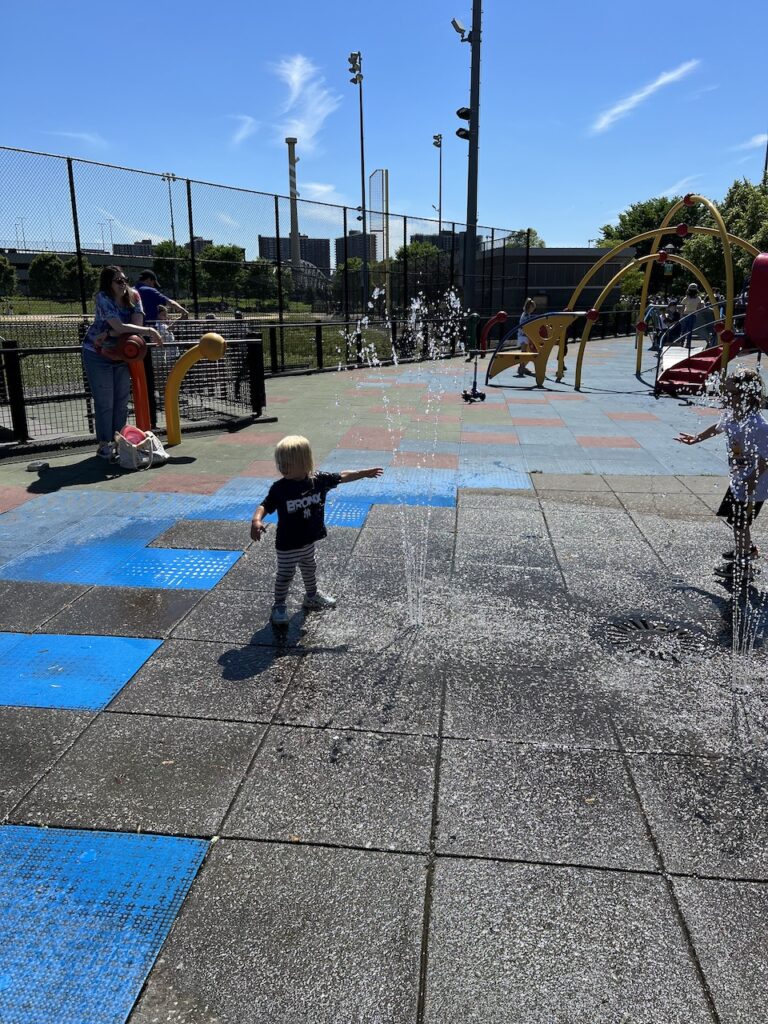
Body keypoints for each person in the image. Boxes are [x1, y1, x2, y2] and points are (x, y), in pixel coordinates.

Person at [250, 435, 383, 626]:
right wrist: (256, 520)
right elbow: (265, 506)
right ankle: (279, 605)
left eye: (287, 464)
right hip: (287, 543)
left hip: (308, 539)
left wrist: (364, 473)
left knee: (310, 568)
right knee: (285, 574)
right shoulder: (280, 488)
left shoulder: (317, 481)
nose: (282, 468)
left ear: (304, 463)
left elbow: (342, 476)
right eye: (280, 464)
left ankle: (311, 597)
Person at [676, 367, 768, 582]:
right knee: (735, 519)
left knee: (740, 524)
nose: (725, 397)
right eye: (724, 392)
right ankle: (748, 550)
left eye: (731, 393)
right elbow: (717, 427)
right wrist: (696, 438)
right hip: (740, 481)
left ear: (748, 395)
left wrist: (752, 481)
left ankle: (743, 565)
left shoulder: (757, 425)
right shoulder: (733, 415)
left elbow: (766, 458)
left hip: (753, 484)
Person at [82, 266, 164, 459]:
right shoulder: (103, 297)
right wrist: (150, 332)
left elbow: (136, 328)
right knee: (105, 401)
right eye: (118, 281)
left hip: (121, 355)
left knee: (121, 402)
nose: (123, 284)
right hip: (97, 353)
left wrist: (110, 333)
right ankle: (104, 444)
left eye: (124, 279)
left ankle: (120, 442)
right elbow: (120, 325)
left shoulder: (134, 296)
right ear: (108, 284)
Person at [516, 297, 537, 378]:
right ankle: (521, 368)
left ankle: (522, 367)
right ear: (529, 307)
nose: (533, 310)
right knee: (524, 352)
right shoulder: (525, 314)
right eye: (533, 308)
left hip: (524, 335)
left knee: (527, 352)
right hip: (523, 336)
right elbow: (525, 326)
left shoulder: (526, 314)